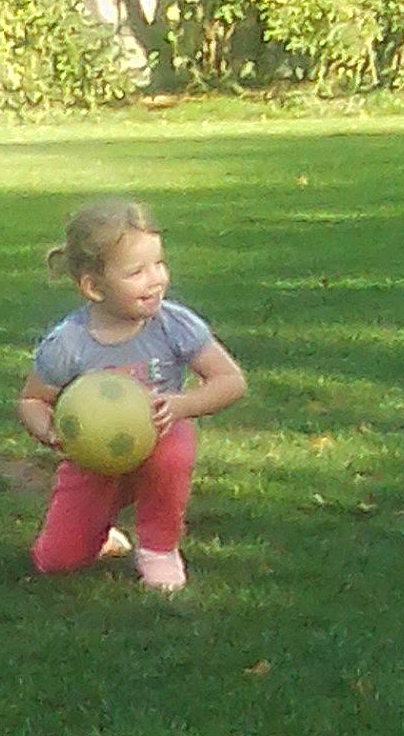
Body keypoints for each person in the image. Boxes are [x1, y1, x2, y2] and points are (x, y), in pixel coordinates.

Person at [17, 199, 247, 591]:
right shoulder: (70, 342)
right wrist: (50, 432)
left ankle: (159, 547)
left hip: (158, 441)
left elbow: (231, 380)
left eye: (159, 264)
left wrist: (180, 406)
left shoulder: (173, 324)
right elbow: (31, 399)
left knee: (173, 448)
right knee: (55, 562)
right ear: (93, 286)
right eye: (137, 272)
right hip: (94, 459)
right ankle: (103, 533)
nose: (155, 279)